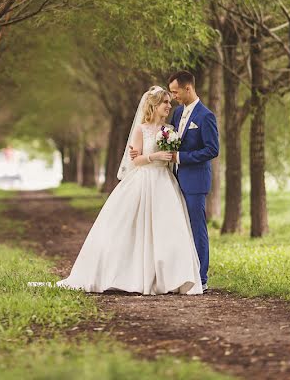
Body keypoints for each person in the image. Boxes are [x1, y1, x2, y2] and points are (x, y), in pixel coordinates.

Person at [31, 86, 203, 294]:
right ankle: (131, 275)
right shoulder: (142, 129)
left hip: (165, 183)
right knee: (132, 228)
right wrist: (155, 157)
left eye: (169, 102)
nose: (169, 106)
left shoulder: (170, 130)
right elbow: (136, 159)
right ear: (154, 105)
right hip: (144, 180)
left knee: (168, 229)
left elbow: (174, 155)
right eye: (165, 102)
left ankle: (170, 278)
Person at [130, 71, 219, 290]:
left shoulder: (206, 116)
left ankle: (201, 278)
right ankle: (176, 274)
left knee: (197, 228)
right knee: (178, 229)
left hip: (196, 181)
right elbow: (167, 142)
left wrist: (181, 157)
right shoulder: (178, 115)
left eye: (175, 92)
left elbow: (212, 149)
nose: (173, 96)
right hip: (173, 179)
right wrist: (142, 154)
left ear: (188, 89)